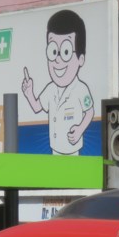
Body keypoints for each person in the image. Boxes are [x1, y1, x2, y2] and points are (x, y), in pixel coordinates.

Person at [21, 9, 95, 156]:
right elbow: (37, 107)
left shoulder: (81, 89)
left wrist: (80, 129)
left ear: (81, 59)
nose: (58, 60)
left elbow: (90, 111)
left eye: (66, 52)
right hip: (55, 150)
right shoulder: (50, 89)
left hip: (73, 151)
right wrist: (29, 93)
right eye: (53, 51)